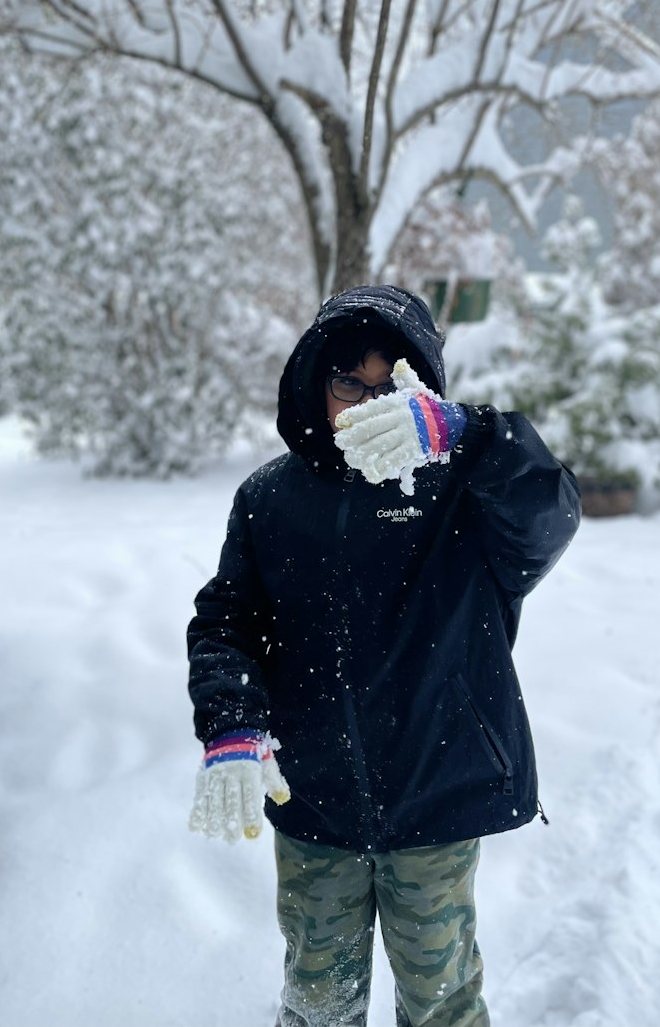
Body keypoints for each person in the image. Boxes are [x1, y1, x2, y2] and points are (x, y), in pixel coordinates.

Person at [187, 284, 581, 1027]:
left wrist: (470, 435)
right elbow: (226, 623)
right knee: (317, 1002)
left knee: (442, 1002)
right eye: (348, 381)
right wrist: (232, 721)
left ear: (423, 387)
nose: (365, 400)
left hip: (437, 795)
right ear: (317, 382)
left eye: (389, 383)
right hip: (314, 803)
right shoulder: (270, 499)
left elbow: (550, 511)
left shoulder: (467, 491)